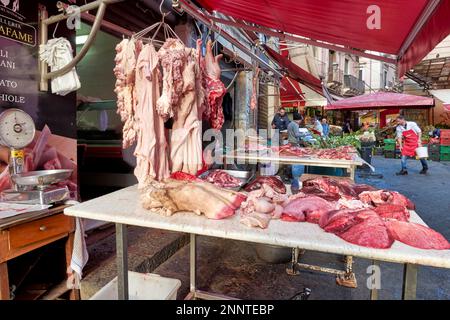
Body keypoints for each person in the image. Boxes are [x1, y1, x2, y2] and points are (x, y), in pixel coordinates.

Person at [287, 112, 305, 193]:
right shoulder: (296, 125)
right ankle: (295, 180)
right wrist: (304, 134)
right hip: (294, 143)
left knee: (291, 160)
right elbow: (297, 135)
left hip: (290, 142)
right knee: (295, 161)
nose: (301, 121)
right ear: (299, 119)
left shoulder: (290, 123)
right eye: (301, 119)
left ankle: (290, 177)